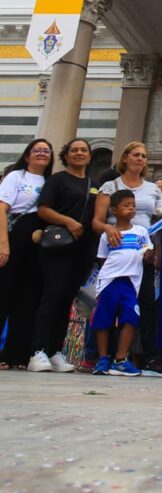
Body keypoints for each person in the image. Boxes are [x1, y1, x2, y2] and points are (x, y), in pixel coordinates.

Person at [93, 142, 162, 373]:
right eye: (136, 155)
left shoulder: (153, 188)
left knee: (144, 303)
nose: (140, 159)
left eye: (144, 156)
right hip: (116, 249)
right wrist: (108, 229)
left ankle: (142, 355)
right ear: (125, 158)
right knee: (107, 306)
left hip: (143, 250)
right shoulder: (110, 186)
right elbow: (96, 221)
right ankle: (102, 355)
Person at [29, 138, 96, 373]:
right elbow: (44, 209)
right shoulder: (57, 180)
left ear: (89, 156)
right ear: (66, 156)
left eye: (83, 150)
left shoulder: (93, 183)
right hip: (58, 248)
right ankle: (37, 350)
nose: (79, 153)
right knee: (52, 296)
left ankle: (56, 350)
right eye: (74, 150)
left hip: (82, 250)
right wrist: (68, 221)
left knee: (68, 299)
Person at [0, 138, 53, 368]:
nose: (42, 154)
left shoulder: (51, 181)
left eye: (46, 151)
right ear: (28, 154)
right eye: (37, 150)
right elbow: (2, 209)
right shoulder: (16, 176)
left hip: (39, 241)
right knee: (4, 294)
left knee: (29, 298)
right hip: (15, 236)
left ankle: (17, 354)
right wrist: (3, 244)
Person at [92, 189, 154, 377]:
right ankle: (103, 358)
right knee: (104, 318)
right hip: (110, 281)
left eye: (133, 206)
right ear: (114, 210)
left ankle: (120, 359)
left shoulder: (141, 232)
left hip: (130, 283)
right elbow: (103, 259)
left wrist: (149, 255)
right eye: (126, 206)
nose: (131, 209)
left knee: (131, 317)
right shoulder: (107, 235)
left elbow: (147, 252)